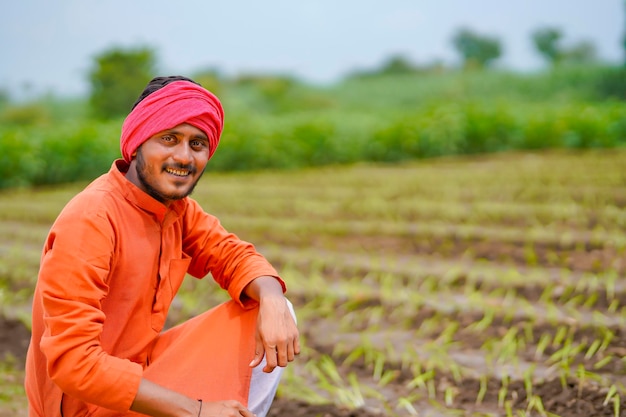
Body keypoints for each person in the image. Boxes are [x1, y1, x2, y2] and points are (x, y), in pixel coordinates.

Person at [24, 75, 300, 417]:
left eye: (197, 144)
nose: (183, 157)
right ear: (138, 142)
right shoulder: (92, 218)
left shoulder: (176, 211)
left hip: (142, 377)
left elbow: (233, 254)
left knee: (272, 305)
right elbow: (74, 364)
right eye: (169, 139)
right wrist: (197, 411)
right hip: (87, 407)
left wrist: (272, 300)